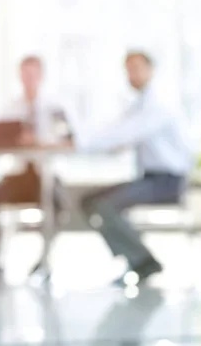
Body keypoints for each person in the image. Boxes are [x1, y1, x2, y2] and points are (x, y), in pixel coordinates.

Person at [79, 51, 193, 286]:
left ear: (151, 69)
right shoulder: (140, 103)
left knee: (104, 205)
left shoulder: (158, 102)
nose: (132, 74)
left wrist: (82, 144)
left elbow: (127, 132)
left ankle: (142, 260)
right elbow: (118, 131)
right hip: (149, 179)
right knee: (89, 202)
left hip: (168, 181)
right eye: (128, 69)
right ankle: (136, 257)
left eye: (137, 68)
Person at [0, 56, 73, 280]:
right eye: (24, 74)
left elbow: (69, 140)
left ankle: (44, 258)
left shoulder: (55, 107)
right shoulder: (12, 107)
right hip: (21, 175)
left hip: (46, 175)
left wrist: (40, 142)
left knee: (58, 203)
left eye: (33, 74)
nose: (28, 79)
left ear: (41, 76)